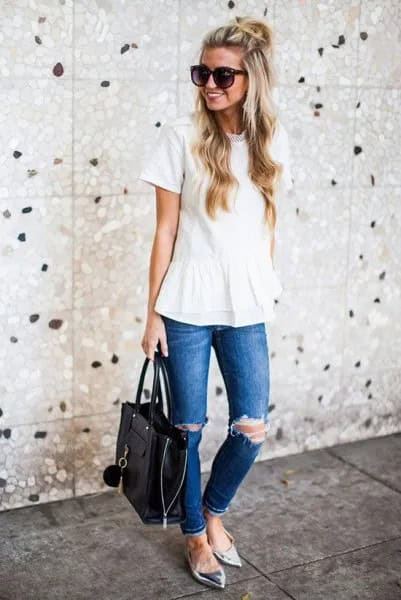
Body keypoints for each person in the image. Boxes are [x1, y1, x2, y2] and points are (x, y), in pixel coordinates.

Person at [138, 15, 293, 591]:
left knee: (251, 424)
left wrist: (267, 280)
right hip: (186, 301)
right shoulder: (180, 137)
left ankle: (213, 510)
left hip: (244, 302)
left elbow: (267, 221)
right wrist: (151, 313)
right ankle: (196, 535)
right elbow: (164, 232)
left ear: (251, 78)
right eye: (201, 72)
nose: (209, 83)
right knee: (188, 427)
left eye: (222, 74)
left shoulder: (271, 140)